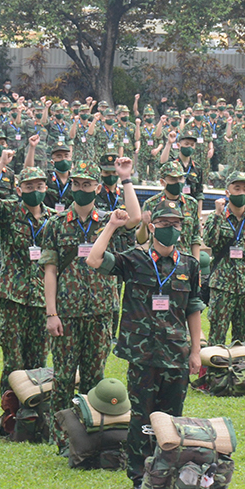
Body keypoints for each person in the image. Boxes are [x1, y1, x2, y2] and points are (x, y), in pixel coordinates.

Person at [82, 201, 203, 489]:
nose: (170, 230)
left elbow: (193, 309)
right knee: (142, 418)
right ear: (152, 226)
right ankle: (139, 474)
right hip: (143, 353)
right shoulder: (134, 260)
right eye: (164, 224)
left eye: (175, 225)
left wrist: (196, 351)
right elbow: (94, 260)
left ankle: (166, 470)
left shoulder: (189, 264)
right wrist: (112, 225)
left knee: (172, 418)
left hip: (176, 353)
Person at [41, 159, 140, 419]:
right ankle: (60, 432)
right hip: (67, 312)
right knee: (62, 376)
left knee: (94, 376)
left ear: (97, 188)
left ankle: (89, 428)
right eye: (76, 183)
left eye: (87, 184)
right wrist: (51, 314)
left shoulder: (111, 221)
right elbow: (50, 270)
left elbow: (136, 218)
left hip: (101, 311)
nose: (81, 188)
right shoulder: (56, 223)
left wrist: (126, 179)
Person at [0, 158, 52, 392]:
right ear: (19, 189)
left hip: (43, 299)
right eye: (28, 187)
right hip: (13, 295)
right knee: (13, 361)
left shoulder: (52, 220)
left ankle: (34, 417)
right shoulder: (9, 212)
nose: (34, 191)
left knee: (39, 363)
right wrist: (0, 166)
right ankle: (10, 415)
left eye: (39, 187)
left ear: (45, 188)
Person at [203, 171, 245, 345]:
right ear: (227, 192)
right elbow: (209, 241)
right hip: (222, 286)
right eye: (237, 188)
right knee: (217, 334)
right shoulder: (215, 217)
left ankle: (243, 371)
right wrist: (218, 215)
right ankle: (214, 371)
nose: (241, 193)